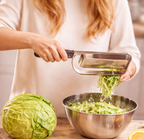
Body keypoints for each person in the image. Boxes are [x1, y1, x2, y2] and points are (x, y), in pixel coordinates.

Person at [0, 0, 141, 117]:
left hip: (88, 116)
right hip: (27, 115)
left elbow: (129, 52)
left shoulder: (114, 2)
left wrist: (130, 66)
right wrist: (32, 40)